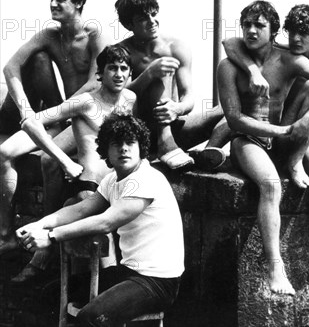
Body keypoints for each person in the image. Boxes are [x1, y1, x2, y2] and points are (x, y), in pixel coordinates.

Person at [217, 0, 309, 295]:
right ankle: (275, 266)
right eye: (246, 24)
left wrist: (306, 122)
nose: (251, 30)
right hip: (248, 141)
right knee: (272, 185)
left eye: (259, 25)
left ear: (273, 31)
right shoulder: (229, 66)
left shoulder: (287, 60)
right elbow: (235, 119)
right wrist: (282, 130)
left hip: (283, 139)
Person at [16, 113, 184, 326]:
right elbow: (82, 209)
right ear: (106, 151)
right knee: (50, 294)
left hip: (157, 282)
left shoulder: (147, 179)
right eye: (116, 144)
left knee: (91, 318)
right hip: (128, 272)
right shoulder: (112, 179)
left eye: (130, 142)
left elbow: (106, 221)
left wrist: (51, 236)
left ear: (141, 147)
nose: (124, 148)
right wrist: (40, 223)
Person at [0, 45, 136, 259]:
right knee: (102, 250)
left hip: (119, 184)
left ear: (130, 73)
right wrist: (64, 161)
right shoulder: (85, 102)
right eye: (112, 68)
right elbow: (30, 122)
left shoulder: (130, 99)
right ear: (100, 74)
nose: (118, 74)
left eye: (123, 68)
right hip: (90, 188)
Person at [115, 0, 230, 170]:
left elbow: (189, 96)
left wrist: (177, 108)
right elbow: (114, 96)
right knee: (162, 67)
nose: (152, 22)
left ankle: (208, 152)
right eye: (143, 19)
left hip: (174, 128)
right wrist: (149, 74)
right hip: (137, 131)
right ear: (130, 26)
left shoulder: (176, 47)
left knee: (232, 108)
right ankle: (164, 144)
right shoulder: (120, 53)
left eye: (153, 14)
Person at [0, 0, 108, 135]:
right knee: (38, 58)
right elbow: (10, 67)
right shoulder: (49, 35)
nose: (52, 4)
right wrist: (26, 109)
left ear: (79, 2)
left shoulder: (95, 36)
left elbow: (96, 83)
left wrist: (56, 113)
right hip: (57, 112)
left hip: (84, 110)